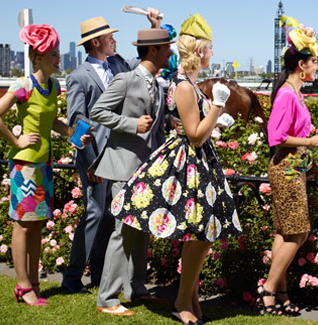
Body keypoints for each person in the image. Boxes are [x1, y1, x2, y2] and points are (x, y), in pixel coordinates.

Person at [107, 14, 242, 324]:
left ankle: (190, 298)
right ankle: (183, 300)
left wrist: (216, 121)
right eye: (209, 47)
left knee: (202, 235)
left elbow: (199, 129)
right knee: (197, 234)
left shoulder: (190, 83)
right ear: (198, 49)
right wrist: (218, 107)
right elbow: (193, 134)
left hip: (200, 161)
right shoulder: (183, 85)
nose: (212, 52)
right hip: (189, 163)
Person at [0, 24, 92, 306]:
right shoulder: (24, 85)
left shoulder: (53, 85)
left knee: (37, 224)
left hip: (44, 164)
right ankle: (22, 286)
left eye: (58, 54)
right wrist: (16, 140)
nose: (60, 59)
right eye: (55, 55)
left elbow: (52, 122)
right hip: (25, 166)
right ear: (38, 57)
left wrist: (73, 132)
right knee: (22, 225)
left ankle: (32, 283)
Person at [62, 10, 161, 295]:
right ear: (95, 43)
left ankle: (99, 275)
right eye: (109, 36)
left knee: (111, 215)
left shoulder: (120, 65)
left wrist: (152, 27)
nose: (114, 39)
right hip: (94, 158)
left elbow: (145, 62)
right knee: (94, 214)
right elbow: (77, 124)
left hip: (119, 156)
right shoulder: (78, 77)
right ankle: (71, 278)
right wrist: (90, 162)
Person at [90, 28, 172, 316]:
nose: (170, 53)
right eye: (166, 49)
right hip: (124, 166)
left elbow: (160, 130)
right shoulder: (125, 80)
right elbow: (97, 112)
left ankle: (136, 289)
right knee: (123, 232)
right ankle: (108, 299)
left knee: (142, 231)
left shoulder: (159, 86)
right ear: (153, 51)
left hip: (148, 169)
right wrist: (131, 123)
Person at [260, 15, 318, 316]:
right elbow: (276, 136)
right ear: (301, 65)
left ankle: (280, 294)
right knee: (298, 233)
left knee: (284, 232)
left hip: (293, 168)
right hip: (286, 168)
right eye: (314, 61)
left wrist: (312, 138)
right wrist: (311, 142)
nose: (317, 66)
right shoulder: (288, 93)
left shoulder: (294, 93)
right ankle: (268, 290)